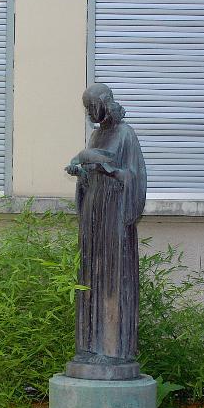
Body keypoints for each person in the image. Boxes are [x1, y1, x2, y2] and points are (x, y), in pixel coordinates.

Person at [65, 83, 147, 379]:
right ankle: (89, 346)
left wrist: (108, 169)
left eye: (91, 107)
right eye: (86, 108)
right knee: (90, 278)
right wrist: (81, 172)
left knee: (112, 280)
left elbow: (135, 179)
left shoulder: (126, 135)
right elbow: (87, 174)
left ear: (103, 104)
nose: (89, 113)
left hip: (114, 220)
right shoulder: (97, 134)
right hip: (94, 218)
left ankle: (112, 350)